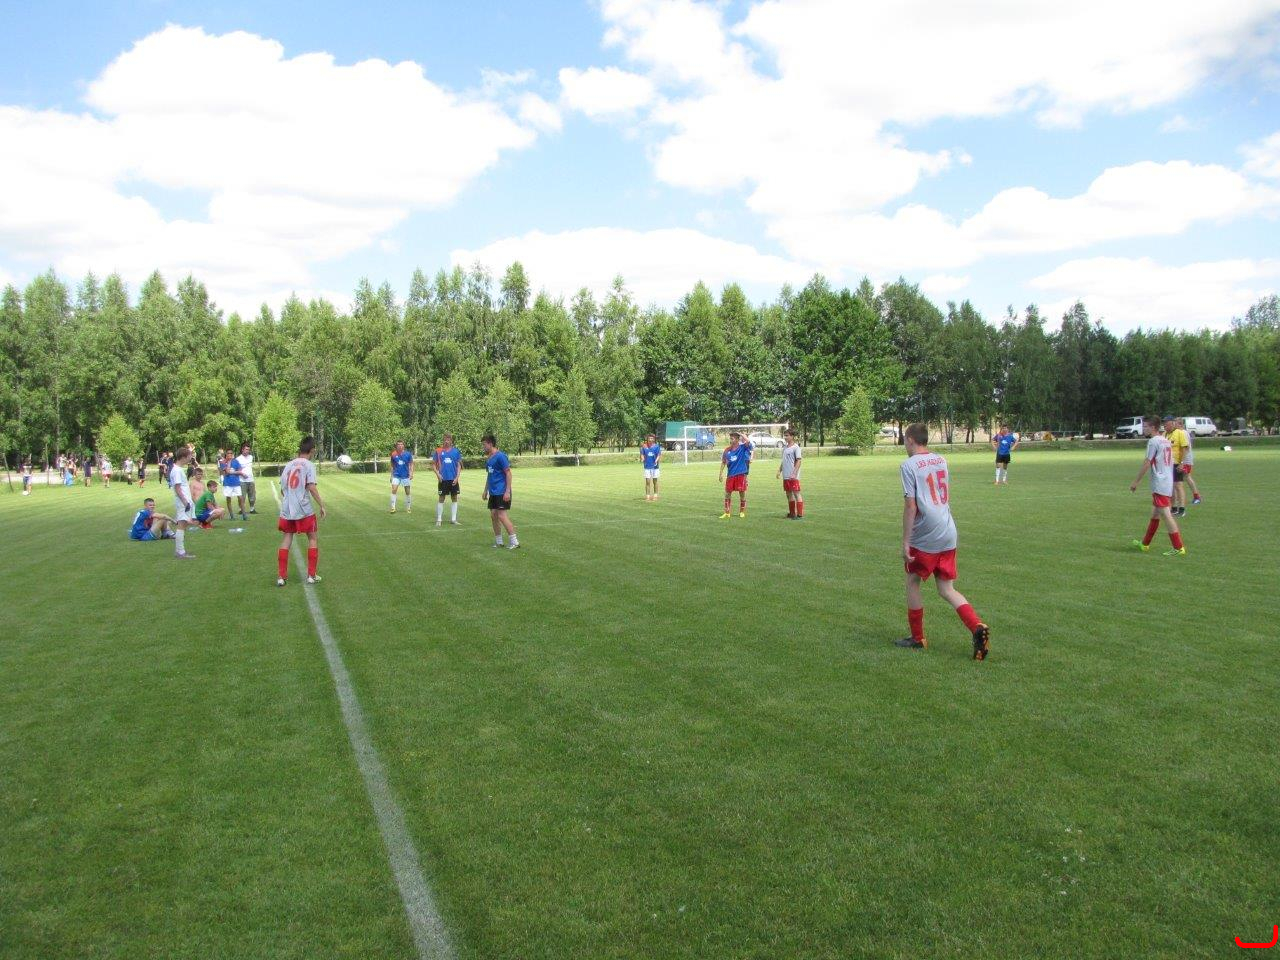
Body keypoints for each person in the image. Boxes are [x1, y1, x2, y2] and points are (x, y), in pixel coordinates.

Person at [896, 422, 991, 659]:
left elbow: (911, 505)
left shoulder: (908, 465)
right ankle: (977, 626)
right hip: (948, 530)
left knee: (912, 581)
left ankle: (918, 638)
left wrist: (906, 542)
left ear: (910, 440)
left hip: (925, 533)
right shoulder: (941, 460)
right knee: (947, 589)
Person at [1131, 416, 1186, 556]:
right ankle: (1145, 544)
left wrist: (1136, 481)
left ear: (1153, 427)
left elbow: (1147, 462)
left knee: (1166, 515)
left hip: (1160, 482)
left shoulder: (1153, 441)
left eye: (1145, 426)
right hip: (1167, 480)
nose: (1143, 429)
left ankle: (1178, 547)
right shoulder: (1165, 440)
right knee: (1155, 514)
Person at [277, 435, 326, 586]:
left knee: (287, 538)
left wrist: (290, 500)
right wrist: (321, 505)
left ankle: (281, 577)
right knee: (312, 538)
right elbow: (311, 486)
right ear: (312, 450)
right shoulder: (309, 465)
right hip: (304, 508)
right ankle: (311, 575)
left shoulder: (289, 465)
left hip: (287, 508)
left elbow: (283, 489)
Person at [481, 433, 519, 549]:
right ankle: (499, 542)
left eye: (484, 445)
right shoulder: (489, 458)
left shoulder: (501, 456)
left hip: (501, 491)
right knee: (493, 515)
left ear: (490, 444)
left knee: (502, 516)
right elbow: (489, 475)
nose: (483, 447)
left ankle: (515, 542)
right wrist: (485, 490)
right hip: (493, 493)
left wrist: (507, 491)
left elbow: (508, 473)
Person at [169, 446, 197, 559]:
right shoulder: (176, 470)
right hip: (182, 502)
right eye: (189, 456)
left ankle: (180, 550)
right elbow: (177, 488)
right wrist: (185, 502)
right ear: (183, 457)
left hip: (185, 501)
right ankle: (180, 552)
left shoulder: (179, 469)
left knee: (184, 525)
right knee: (181, 525)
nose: (190, 459)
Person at [718, 430, 753, 518]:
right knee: (727, 493)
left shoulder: (742, 447)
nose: (731, 440)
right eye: (730, 438)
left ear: (737, 439)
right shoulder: (727, 450)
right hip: (731, 475)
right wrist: (720, 474)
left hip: (741, 474)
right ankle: (727, 513)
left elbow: (749, 443)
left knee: (742, 493)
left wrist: (742, 435)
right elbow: (723, 462)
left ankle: (742, 512)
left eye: (732, 438)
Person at [432, 433, 463, 527]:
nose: (446, 441)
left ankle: (453, 519)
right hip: (443, 479)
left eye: (448, 440)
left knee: (454, 498)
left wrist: (457, 477)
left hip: (453, 479)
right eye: (445, 439)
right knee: (441, 498)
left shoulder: (456, 451)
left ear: (451, 441)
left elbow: (459, 465)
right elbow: (433, 465)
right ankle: (439, 519)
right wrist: (438, 475)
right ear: (443, 440)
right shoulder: (438, 451)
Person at [1164, 416, 1191, 517]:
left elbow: (1185, 448)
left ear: (1172, 423)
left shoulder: (1180, 433)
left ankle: (1182, 508)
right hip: (1167, 464)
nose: (1165, 426)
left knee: (1178, 485)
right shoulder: (1164, 434)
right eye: (1164, 424)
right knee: (1170, 486)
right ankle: (1174, 507)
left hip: (1177, 463)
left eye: (1167, 424)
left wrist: (1182, 463)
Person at [776, 429, 804, 518]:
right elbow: (784, 461)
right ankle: (792, 514)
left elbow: (799, 461)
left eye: (787, 435)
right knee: (788, 494)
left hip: (793, 476)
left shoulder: (796, 448)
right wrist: (779, 471)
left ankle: (799, 514)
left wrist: (794, 473)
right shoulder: (785, 448)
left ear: (792, 436)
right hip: (786, 475)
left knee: (796, 493)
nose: (785, 437)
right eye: (785, 435)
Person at [1177, 418, 1202, 507]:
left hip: (1185, 460)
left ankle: (1196, 497)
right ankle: (1180, 497)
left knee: (1185, 477)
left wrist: (1182, 461)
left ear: (1180, 425)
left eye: (1176, 424)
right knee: (1180, 479)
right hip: (1183, 460)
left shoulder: (1183, 433)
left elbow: (1186, 448)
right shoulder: (1179, 433)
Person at [389, 440, 414, 514]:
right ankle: (393, 508)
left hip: (405, 476)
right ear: (396, 446)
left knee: (407, 491)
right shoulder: (393, 454)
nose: (400, 445)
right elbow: (392, 465)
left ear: (403, 445)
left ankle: (408, 508)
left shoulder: (408, 454)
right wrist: (391, 476)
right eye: (398, 444)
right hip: (396, 475)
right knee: (394, 490)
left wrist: (411, 473)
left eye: (401, 444)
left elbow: (411, 464)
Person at [223, 450, 247, 520]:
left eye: (231, 453)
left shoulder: (236, 461)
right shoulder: (223, 462)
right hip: (227, 483)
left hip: (236, 483)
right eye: (228, 453)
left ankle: (244, 515)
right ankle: (232, 516)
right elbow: (227, 472)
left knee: (240, 498)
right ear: (226, 454)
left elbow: (240, 470)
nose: (230, 454)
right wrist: (229, 462)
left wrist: (236, 472)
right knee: (228, 499)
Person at [640, 433, 662, 501]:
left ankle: (655, 495)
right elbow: (642, 454)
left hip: (655, 467)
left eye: (652, 438)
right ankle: (647, 496)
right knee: (647, 481)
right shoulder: (644, 446)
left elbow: (659, 455)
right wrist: (642, 459)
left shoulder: (656, 446)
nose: (650, 439)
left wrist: (656, 460)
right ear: (647, 439)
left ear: (654, 439)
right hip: (647, 466)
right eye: (649, 438)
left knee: (655, 481)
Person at [238, 443, 258, 514]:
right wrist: (242, 474)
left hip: (251, 480)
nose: (247, 451)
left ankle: (252, 509)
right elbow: (236, 470)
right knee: (242, 496)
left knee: (252, 495)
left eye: (249, 450)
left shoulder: (251, 457)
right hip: (242, 480)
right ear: (242, 449)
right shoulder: (238, 459)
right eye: (246, 449)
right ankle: (241, 509)